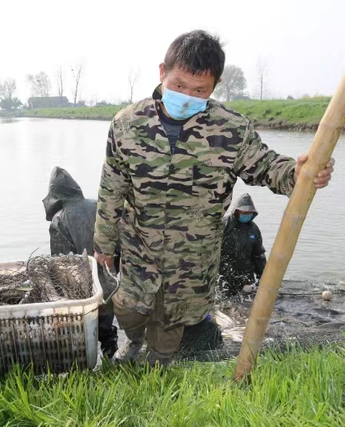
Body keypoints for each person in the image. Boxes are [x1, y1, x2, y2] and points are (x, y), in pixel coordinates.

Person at [93, 30, 335, 367]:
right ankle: (133, 342)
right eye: (178, 85)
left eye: (199, 91)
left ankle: (158, 364)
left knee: (171, 324)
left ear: (214, 86)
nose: (187, 95)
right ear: (163, 72)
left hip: (193, 261)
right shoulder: (127, 124)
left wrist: (299, 175)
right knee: (129, 309)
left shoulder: (231, 129)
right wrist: (103, 243)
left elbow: (266, 166)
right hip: (139, 251)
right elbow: (111, 187)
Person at [43, 166, 119, 359]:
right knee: (106, 328)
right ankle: (111, 354)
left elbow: (60, 265)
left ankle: (85, 364)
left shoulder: (59, 220)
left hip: (81, 293)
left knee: (82, 334)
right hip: (110, 285)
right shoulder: (98, 206)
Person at [219, 193, 266, 297]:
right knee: (224, 300)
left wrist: (262, 275)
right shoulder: (224, 224)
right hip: (223, 274)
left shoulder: (254, 230)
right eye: (243, 211)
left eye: (249, 212)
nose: (246, 214)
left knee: (246, 300)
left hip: (245, 276)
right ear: (236, 211)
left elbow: (258, 255)